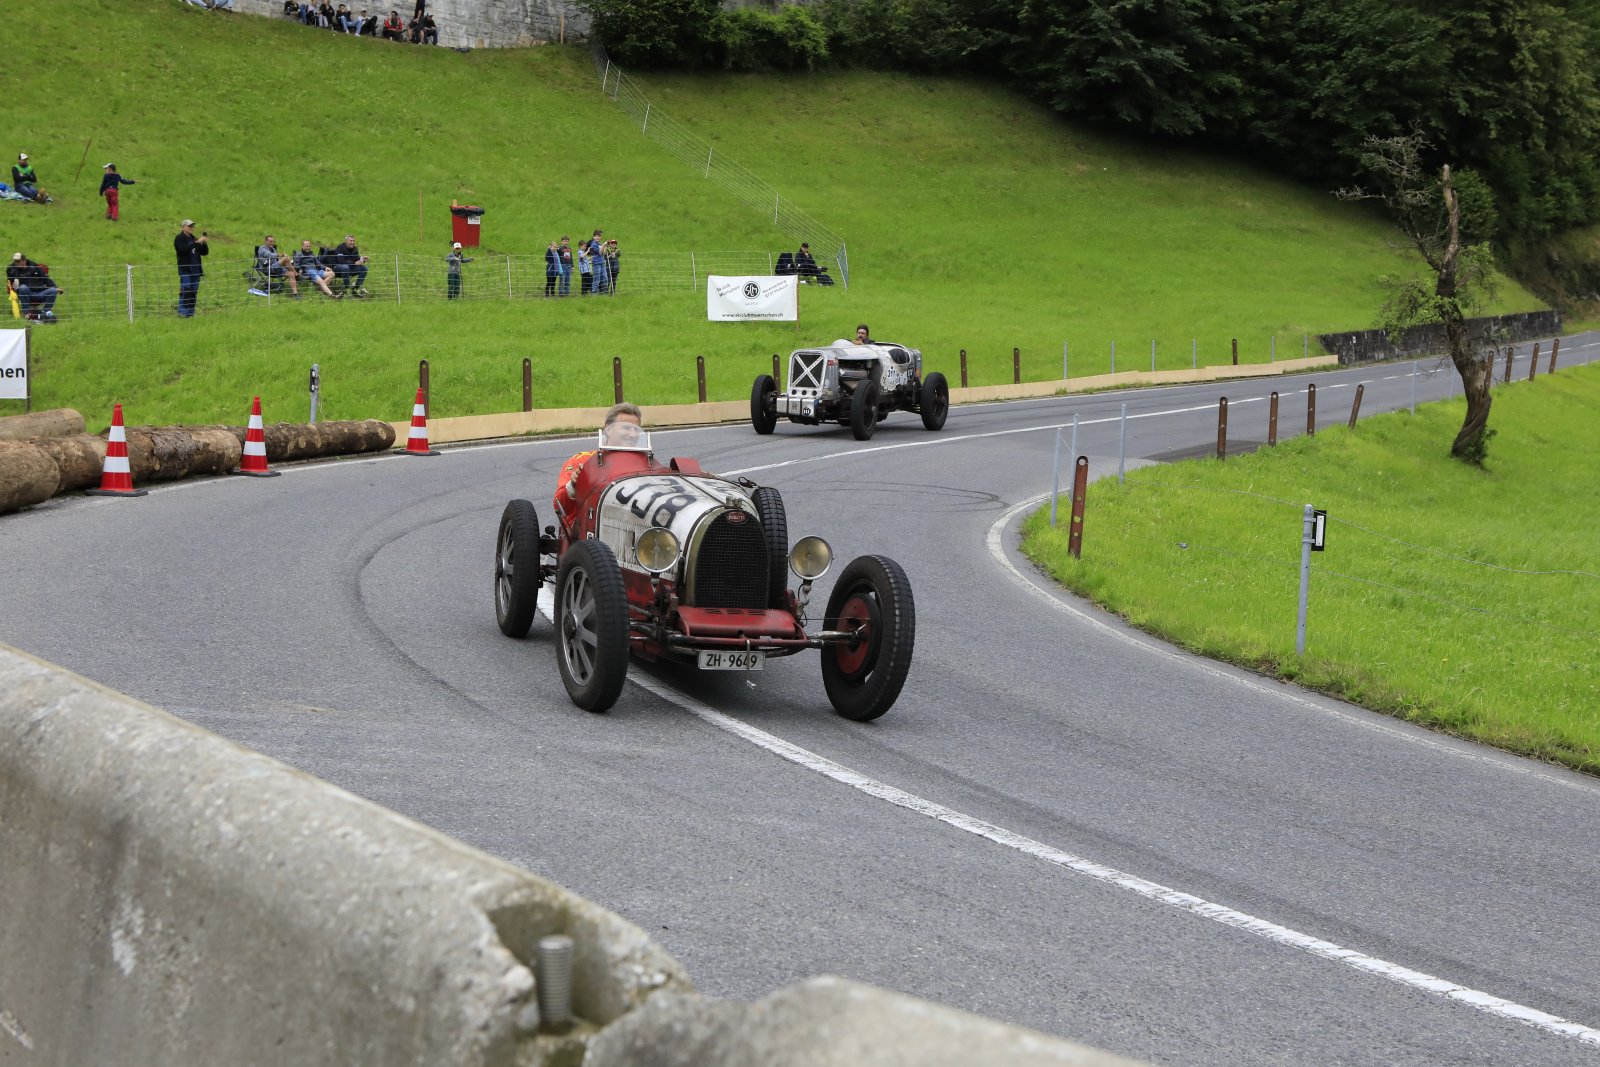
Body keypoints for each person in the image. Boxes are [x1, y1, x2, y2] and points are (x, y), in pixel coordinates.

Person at [553, 403, 644, 527]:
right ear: (609, 429)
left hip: (632, 526)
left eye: (636, 429)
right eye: (626, 428)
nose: (633, 434)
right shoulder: (582, 460)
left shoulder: (646, 463)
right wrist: (573, 485)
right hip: (586, 528)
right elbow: (559, 506)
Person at [6, 253, 63, 322]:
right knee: (23, 287)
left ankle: (45, 312)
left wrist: (55, 287)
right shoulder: (12, 270)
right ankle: (26, 313)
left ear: (24, 261)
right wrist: (14, 286)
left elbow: (46, 278)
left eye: (18, 261)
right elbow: (10, 282)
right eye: (15, 261)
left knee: (53, 290)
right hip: (26, 293)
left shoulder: (35, 267)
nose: (15, 263)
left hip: (41, 292)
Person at [174, 220, 209, 318]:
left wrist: (204, 243)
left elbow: (205, 252)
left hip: (196, 270)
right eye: (190, 226)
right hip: (186, 270)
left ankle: (190, 313)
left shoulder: (194, 238)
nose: (192, 228)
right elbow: (183, 249)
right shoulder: (179, 238)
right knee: (186, 291)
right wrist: (197, 242)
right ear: (183, 227)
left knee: (193, 292)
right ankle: (182, 313)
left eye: (193, 226)